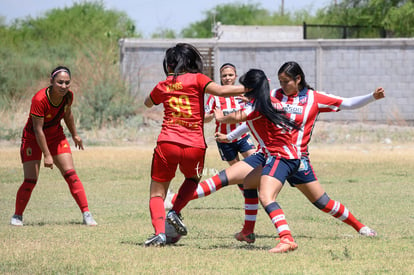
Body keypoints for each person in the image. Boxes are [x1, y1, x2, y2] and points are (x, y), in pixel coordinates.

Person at [219, 61, 384, 244]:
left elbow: (347, 103)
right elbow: (250, 119)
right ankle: (256, 232)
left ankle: (361, 227)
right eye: (280, 81)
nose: (282, 86)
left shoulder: (314, 98)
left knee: (322, 201)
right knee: (253, 185)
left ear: (298, 79)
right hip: (275, 156)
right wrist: (231, 135)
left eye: (286, 81)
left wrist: (372, 96)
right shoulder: (274, 95)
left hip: (297, 159)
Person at [143, 43, 248, 247]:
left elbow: (148, 102)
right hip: (195, 146)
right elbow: (221, 91)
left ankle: (159, 233)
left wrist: (161, 90)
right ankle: (175, 211)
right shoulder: (198, 79)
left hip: (167, 143)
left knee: (157, 193)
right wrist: (250, 88)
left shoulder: (163, 84)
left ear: (170, 64)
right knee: (192, 178)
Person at [10, 66, 97, 227]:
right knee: (30, 180)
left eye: (67, 83)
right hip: (33, 138)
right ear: (51, 82)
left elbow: (67, 114)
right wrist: (47, 155)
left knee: (71, 174)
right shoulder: (39, 99)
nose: (64, 86)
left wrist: (75, 134)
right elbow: (37, 129)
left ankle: (87, 214)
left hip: (56, 137)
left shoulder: (68, 97)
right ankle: (17, 216)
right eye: (60, 82)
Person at [204, 63, 256, 166]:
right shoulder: (214, 97)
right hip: (224, 139)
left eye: (230, 75)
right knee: (237, 172)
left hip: (242, 137)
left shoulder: (243, 94)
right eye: (224, 76)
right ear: (220, 78)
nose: (227, 78)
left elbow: (254, 111)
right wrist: (213, 115)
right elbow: (205, 118)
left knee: (256, 164)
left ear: (235, 76)